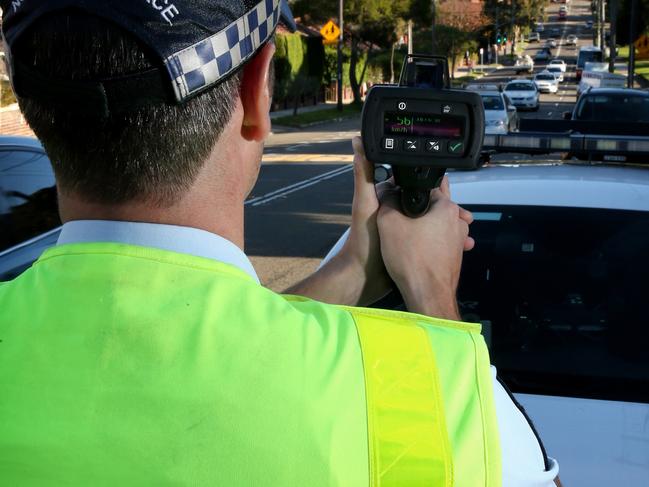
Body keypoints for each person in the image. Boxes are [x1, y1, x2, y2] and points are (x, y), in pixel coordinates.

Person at [0, 1, 560, 485]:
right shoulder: (426, 386)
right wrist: (433, 297)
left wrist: (347, 276)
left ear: (31, 103)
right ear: (256, 92)